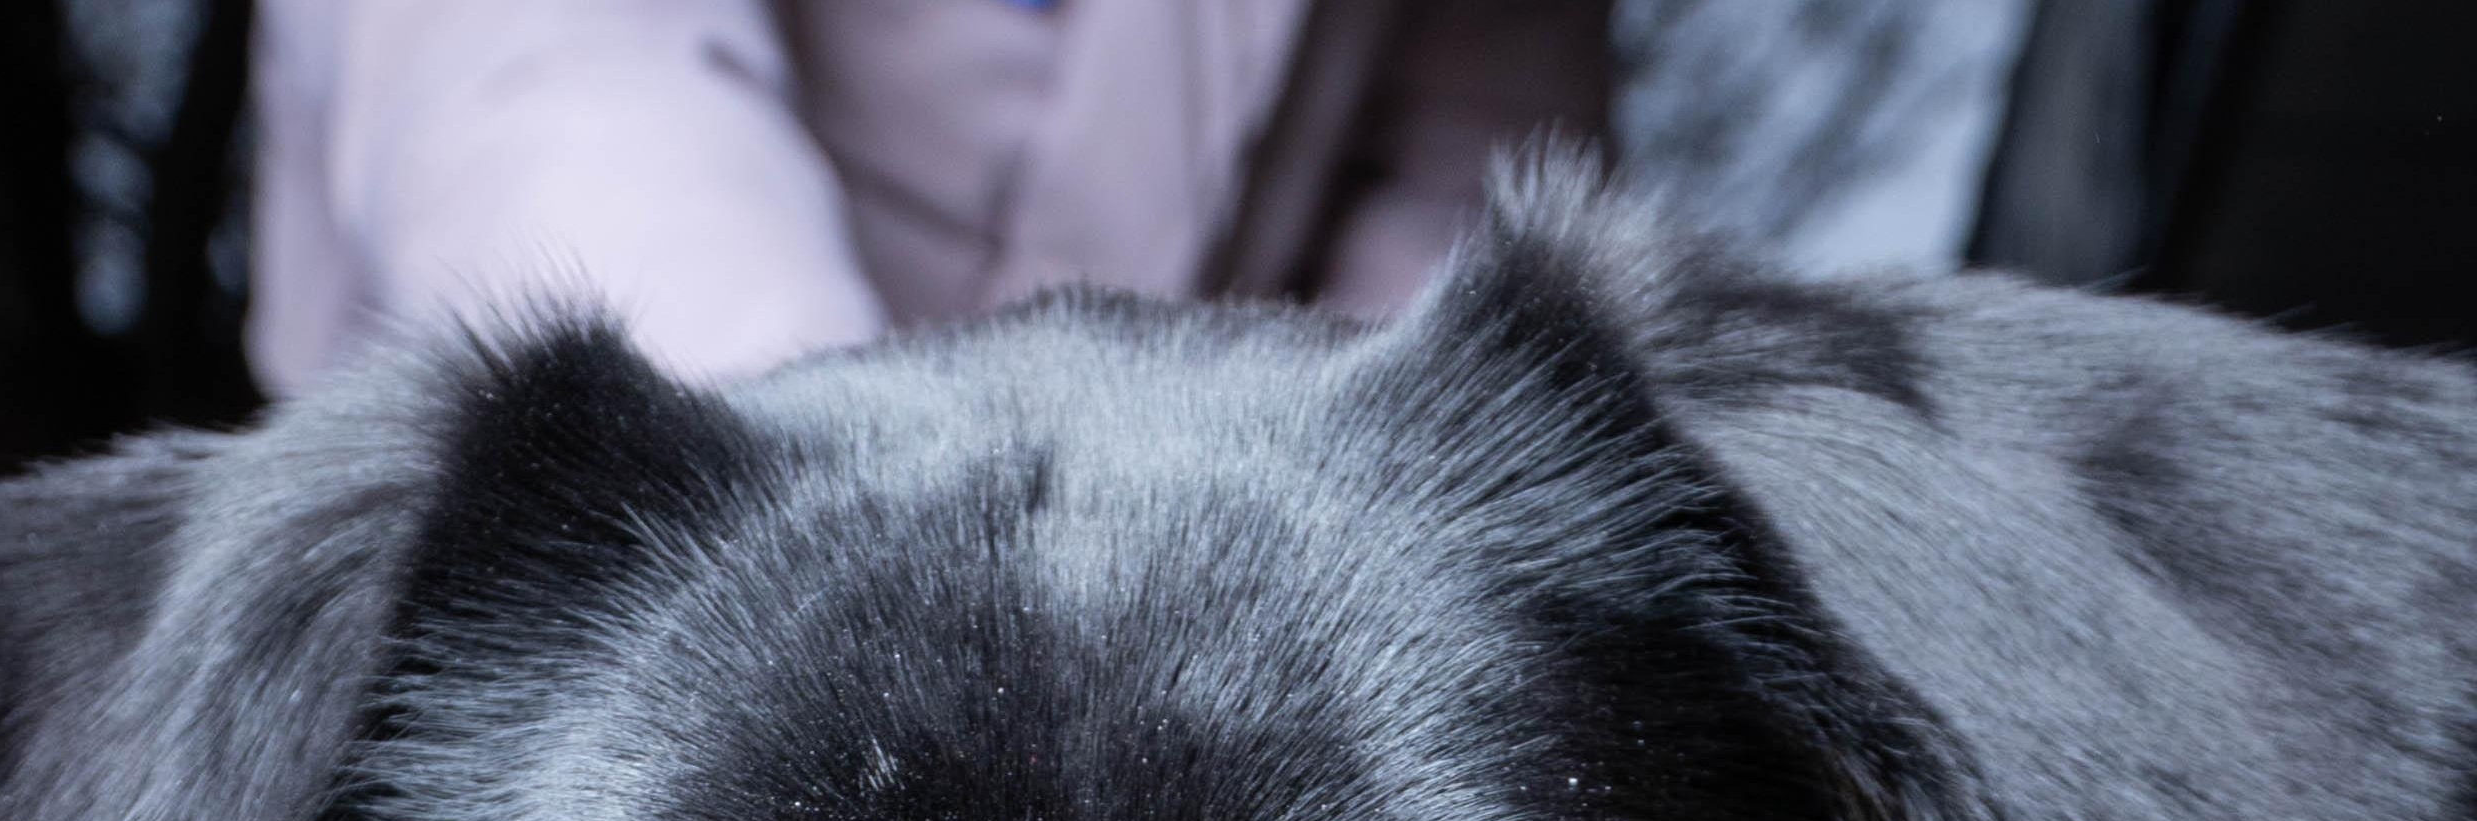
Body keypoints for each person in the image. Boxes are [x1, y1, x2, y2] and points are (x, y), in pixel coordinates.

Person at [251, 0, 1610, 396]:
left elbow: (1448, 188)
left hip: (1170, 512)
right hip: (689, 428)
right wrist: (804, 529)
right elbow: (549, 86)